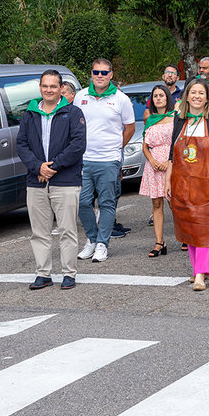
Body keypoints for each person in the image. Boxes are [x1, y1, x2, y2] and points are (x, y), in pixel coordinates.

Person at [17, 69, 86, 290]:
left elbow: (78, 145)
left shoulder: (73, 113)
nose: (49, 90)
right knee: (39, 231)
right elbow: (21, 144)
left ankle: (69, 274)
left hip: (65, 180)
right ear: (40, 88)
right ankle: (43, 274)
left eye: (53, 86)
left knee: (67, 230)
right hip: (36, 180)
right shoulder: (29, 114)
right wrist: (37, 166)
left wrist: (52, 167)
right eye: (45, 86)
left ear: (61, 89)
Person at [165, 79, 209, 291]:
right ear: (186, 96)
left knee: (205, 226)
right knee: (189, 225)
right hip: (182, 182)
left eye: (201, 93)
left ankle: (201, 274)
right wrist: (167, 180)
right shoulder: (179, 120)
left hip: (208, 183)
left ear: (207, 98)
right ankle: (197, 269)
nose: (196, 96)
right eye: (193, 93)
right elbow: (171, 155)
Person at [74, 58, 135, 263]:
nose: (99, 76)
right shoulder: (80, 96)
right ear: (91, 73)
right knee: (82, 203)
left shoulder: (121, 99)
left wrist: (116, 147)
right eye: (96, 72)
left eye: (104, 72)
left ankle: (102, 244)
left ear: (111, 75)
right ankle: (91, 239)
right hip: (84, 159)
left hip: (109, 160)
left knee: (107, 203)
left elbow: (130, 129)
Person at [140, 85, 175, 258]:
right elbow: (145, 146)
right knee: (156, 203)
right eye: (155, 96)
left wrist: (168, 162)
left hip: (171, 163)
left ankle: (185, 237)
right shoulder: (150, 119)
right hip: (153, 165)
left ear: (168, 98)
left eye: (162, 95)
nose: (158, 98)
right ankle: (160, 241)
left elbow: (179, 143)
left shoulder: (175, 117)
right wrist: (152, 161)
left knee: (174, 202)